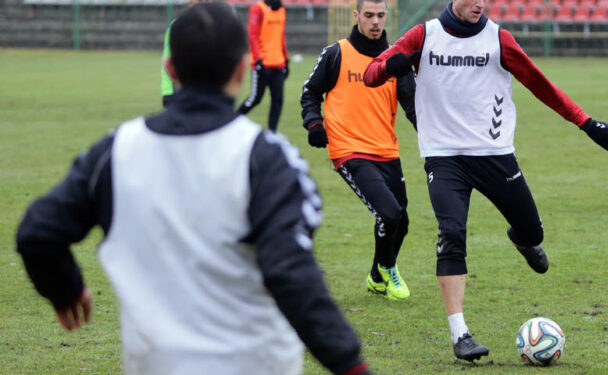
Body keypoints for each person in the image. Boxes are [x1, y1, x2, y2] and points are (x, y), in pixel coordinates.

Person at [16, 4, 372, 375]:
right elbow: (293, 275)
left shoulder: (115, 153)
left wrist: (66, 289)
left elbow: (37, 233)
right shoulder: (267, 159)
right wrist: (351, 366)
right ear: (239, 70)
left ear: (170, 69)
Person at [364, 0, 608, 362]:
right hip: (444, 156)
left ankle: (522, 239)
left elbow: (539, 84)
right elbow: (372, 73)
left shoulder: (499, 39)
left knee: (533, 232)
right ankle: (460, 334)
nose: (480, 3)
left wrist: (585, 122)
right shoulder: (425, 35)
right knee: (452, 233)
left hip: (494, 155)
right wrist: (392, 65)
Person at [300, 0, 416, 300]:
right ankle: (389, 269)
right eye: (369, 15)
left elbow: (413, 107)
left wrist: (437, 140)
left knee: (401, 221)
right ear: (357, 16)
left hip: (387, 150)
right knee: (389, 215)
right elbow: (310, 92)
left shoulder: (395, 59)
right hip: (349, 150)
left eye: (380, 15)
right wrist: (314, 124)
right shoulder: (336, 53)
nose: (375, 21)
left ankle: (376, 277)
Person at [237, 0, 289, 131]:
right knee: (255, 98)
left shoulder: (281, 9)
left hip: (278, 63)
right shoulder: (257, 9)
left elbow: (281, 35)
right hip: (262, 64)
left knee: (278, 100)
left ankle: (272, 133)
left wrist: (286, 58)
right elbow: (252, 35)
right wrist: (258, 60)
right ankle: (233, 120)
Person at [160, 0, 217, 107]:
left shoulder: (216, 26)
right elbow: (169, 60)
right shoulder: (179, 25)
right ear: (191, 2)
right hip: (178, 91)